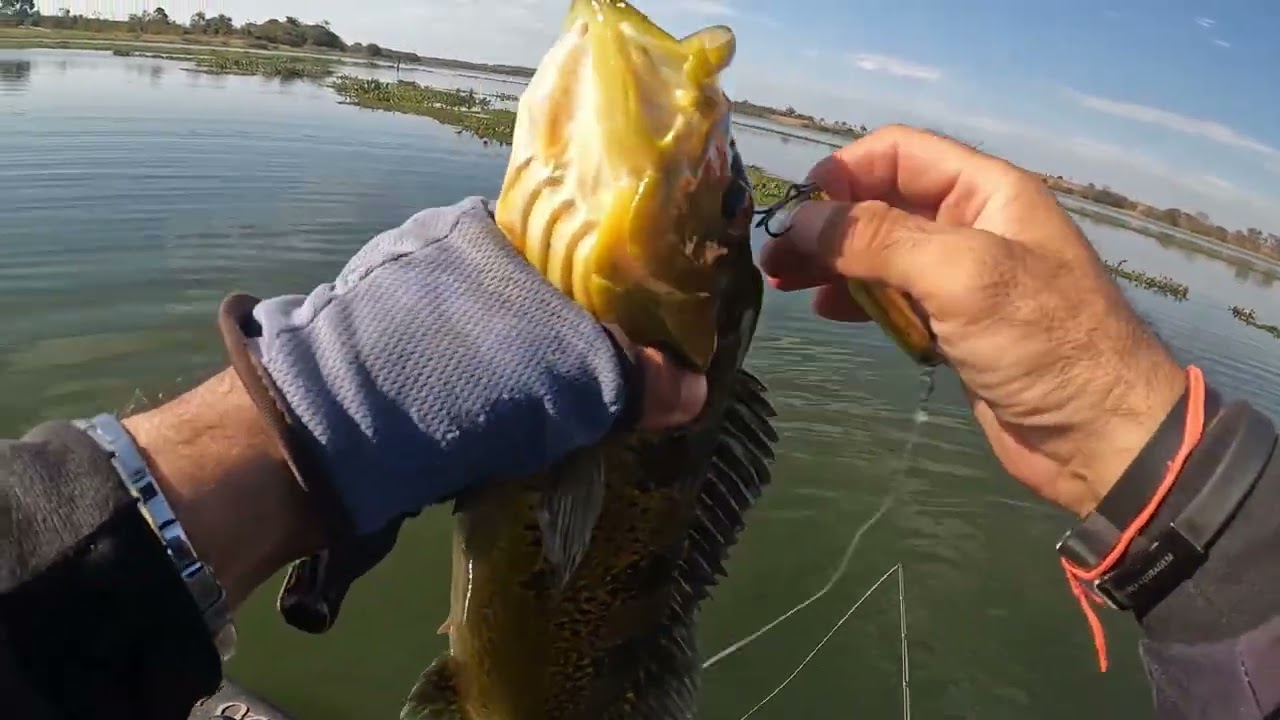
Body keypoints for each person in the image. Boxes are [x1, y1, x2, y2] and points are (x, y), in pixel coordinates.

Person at [1, 125, 1275, 720]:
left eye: (719, 222)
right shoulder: (661, 366)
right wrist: (1150, 450)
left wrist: (303, 424)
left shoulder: (649, 378)